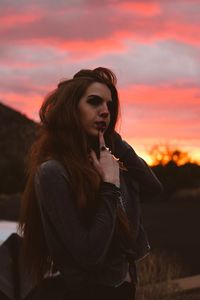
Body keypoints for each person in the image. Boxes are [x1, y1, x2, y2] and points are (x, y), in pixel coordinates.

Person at [18, 67, 162, 300]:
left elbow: (154, 188)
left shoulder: (108, 165)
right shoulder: (53, 172)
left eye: (109, 105)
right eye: (94, 102)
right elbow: (89, 254)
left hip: (123, 290)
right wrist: (109, 187)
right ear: (71, 109)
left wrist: (116, 142)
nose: (105, 111)